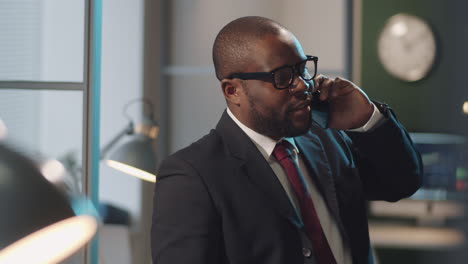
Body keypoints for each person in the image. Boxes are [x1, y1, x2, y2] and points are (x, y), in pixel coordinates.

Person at [151, 16, 422, 264]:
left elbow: (402, 183)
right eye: (283, 77)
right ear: (233, 91)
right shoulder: (192, 175)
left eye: (302, 68)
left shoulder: (327, 136)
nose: (303, 84)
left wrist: (367, 119)